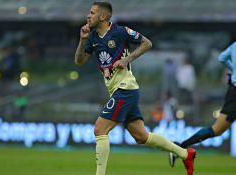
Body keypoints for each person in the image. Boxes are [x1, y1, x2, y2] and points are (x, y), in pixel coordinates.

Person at [74, 2, 196, 175]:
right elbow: (79, 60)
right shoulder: (92, 38)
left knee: (99, 129)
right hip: (118, 91)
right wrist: (83, 40)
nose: (88, 15)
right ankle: (185, 153)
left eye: (92, 12)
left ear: (102, 16)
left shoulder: (120, 32)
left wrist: (127, 59)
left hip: (125, 89)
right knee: (141, 136)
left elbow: (147, 43)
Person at [169, 41, 236, 167]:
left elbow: (222, 58)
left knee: (216, 129)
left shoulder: (234, 45)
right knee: (217, 129)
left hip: (233, 90)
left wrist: (234, 70)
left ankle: (179, 148)